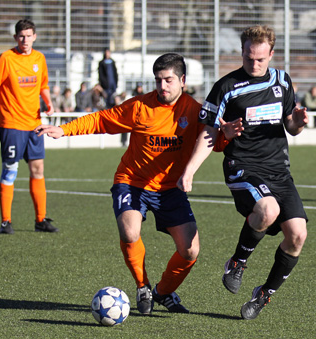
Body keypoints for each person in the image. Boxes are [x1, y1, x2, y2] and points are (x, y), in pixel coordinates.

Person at [35, 53, 242, 315]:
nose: (162, 86)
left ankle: (163, 292)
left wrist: (226, 136)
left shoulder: (195, 110)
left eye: (168, 80)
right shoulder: (139, 107)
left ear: (183, 80)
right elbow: (102, 119)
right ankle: (142, 286)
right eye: (158, 81)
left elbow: (212, 143)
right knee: (130, 232)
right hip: (132, 182)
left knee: (190, 251)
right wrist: (65, 129)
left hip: (170, 189)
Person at [177, 25, 309, 320]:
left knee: (298, 235)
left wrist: (299, 122)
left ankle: (264, 294)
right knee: (267, 210)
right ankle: (237, 262)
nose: (254, 64)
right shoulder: (226, 87)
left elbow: (290, 127)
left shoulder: (282, 82)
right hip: (243, 168)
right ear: (242, 52)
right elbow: (208, 132)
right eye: (249, 57)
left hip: (279, 171)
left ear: (271, 54)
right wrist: (190, 171)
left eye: (260, 59)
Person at [0, 19, 58, 234]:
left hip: (34, 124)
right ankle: (6, 221)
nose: (25, 40)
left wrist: (49, 103)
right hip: (11, 123)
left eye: (29, 36)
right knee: (10, 170)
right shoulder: (6, 59)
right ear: (15, 38)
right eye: (21, 36)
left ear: (34, 37)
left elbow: (44, 85)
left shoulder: (39, 58)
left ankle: (40, 220)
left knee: (38, 169)